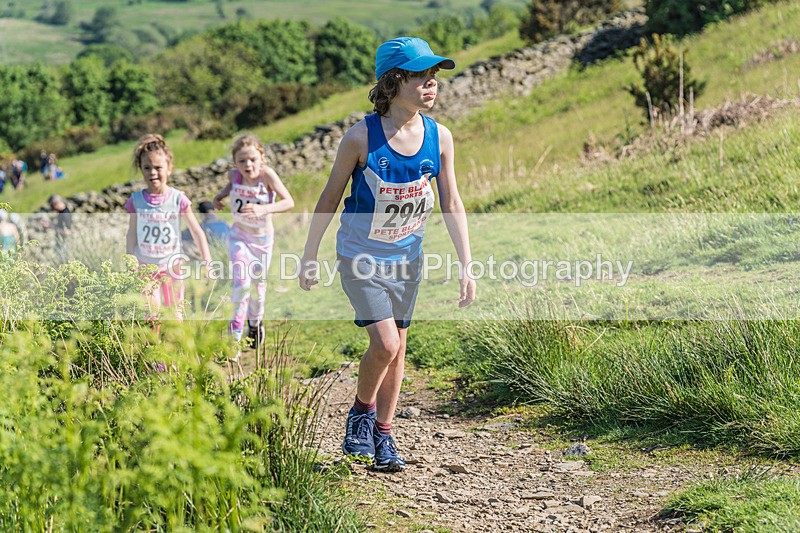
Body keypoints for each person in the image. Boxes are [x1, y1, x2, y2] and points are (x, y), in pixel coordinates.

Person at [299, 37, 476, 472]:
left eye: (435, 76)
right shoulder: (360, 137)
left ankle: (384, 435)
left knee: (398, 351)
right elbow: (330, 197)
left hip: (408, 260)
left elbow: (452, 202)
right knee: (386, 342)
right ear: (394, 81)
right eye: (421, 75)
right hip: (360, 256)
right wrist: (309, 254)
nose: (432, 83)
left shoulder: (441, 137)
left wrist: (466, 264)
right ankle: (360, 413)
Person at [214, 134, 294, 356]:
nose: (247, 165)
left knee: (258, 290)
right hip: (239, 236)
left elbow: (289, 202)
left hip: (262, 241)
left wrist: (264, 209)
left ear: (262, 157)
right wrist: (219, 198)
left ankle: (255, 325)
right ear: (235, 162)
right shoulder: (234, 176)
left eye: (252, 159)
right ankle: (234, 342)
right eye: (241, 161)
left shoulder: (267, 176)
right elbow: (228, 187)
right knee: (241, 284)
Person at [125, 134, 212, 323]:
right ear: (141, 170)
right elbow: (131, 233)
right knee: (151, 315)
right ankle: (156, 350)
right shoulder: (136, 201)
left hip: (172, 266)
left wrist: (207, 261)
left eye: (158, 168)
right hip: (145, 268)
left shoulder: (178, 199)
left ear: (169, 168)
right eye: (147, 168)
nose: (153, 173)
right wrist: (130, 259)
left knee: (175, 316)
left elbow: (197, 231)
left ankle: (177, 351)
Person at [48, 194, 72, 263]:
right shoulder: (63, 212)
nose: (53, 209)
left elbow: (68, 232)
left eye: (53, 206)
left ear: (57, 204)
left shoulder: (65, 214)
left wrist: (51, 226)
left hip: (65, 245)